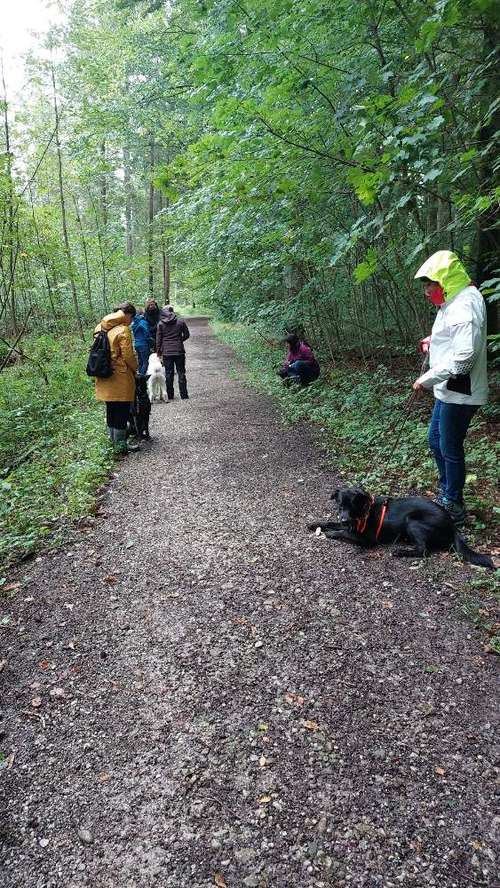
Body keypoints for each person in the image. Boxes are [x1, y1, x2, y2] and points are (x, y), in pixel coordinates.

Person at [412, 250, 488, 524]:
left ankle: (454, 504)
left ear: (445, 281)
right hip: (449, 387)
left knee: (449, 446)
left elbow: (465, 356)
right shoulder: (453, 301)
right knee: (436, 440)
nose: (428, 292)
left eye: (430, 285)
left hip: (461, 390)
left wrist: (427, 378)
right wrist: (433, 340)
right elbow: (452, 336)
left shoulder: (464, 305)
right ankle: (448, 493)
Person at [94, 302, 139, 453]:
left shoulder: (100, 327)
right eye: (131, 317)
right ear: (126, 315)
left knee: (111, 409)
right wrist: (136, 368)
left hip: (103, 374)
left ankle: (113, 443)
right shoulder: (123, 330)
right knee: (121, 411)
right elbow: (128, 355)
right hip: (120, 377)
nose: (131, 321)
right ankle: (120, 447)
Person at [156, 305, 190, 400]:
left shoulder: (160, 324)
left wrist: (159, 352)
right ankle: (184, 395)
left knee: (168, 373)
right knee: (181, 372)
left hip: (167, 352)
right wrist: (179, 340)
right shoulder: (180, 322)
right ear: (172, 311)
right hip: (179, 351)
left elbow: (158, 340)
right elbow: (187, 335)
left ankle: (170, 395)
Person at [131, 310, 150, 374]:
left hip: (136, 344)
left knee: (140, 361)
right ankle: (142, 378)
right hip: (143, 344)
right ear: (142, 314)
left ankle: (139, 377)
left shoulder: (134, 322)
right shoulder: (143, 322)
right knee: (145, 362)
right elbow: (147, 334)